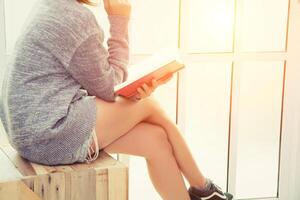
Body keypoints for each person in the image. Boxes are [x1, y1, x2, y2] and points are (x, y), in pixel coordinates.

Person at [0, 0, 233, 199]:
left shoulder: (52, 6)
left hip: (31, 135)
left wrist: (140, 88)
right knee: (149, 106)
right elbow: (109, 86)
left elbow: (86, 82)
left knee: (156, 140)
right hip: (50, 134)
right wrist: (119, 21)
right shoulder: (75, 17)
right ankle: (204, 189)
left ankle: (201, 191)